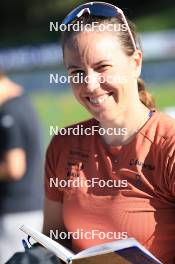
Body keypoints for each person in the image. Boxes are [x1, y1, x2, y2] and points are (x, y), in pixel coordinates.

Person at [42, 2, 175, 264]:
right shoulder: (63, 145)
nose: (90, 85)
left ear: (135, 63)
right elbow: (52, 240)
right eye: (77, 72)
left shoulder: (167, 144)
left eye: (102, 67)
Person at [0, 72, 43, 263]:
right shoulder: (24, 101)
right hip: (31, 208)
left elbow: (14, 168)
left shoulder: (10, 111)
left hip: (15, 213)